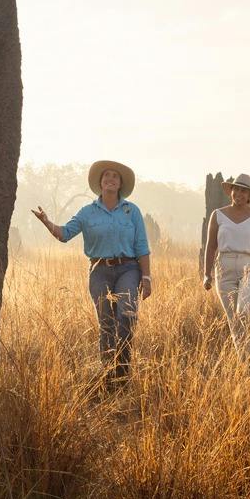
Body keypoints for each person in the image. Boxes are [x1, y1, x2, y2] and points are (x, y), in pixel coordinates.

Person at [32, 159, 153, 385]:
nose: (110, 179)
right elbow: (65, 234)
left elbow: (142, 247)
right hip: (99, 271)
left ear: (120, 184)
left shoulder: (131, 211)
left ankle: (123, 373)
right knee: (106, 321)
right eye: (106, 176)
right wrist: (47, 222)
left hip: (128, 268)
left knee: (126, 316)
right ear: (100, 183)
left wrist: (146, 277)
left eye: (115, 176)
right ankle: (108, 375)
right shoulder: (87, 213)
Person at [203, 173, 250, 367]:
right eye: (236, 189)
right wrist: (206, 274)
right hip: (224, 269)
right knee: (235, 322)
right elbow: (210, 246)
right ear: (231, 191)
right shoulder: (217, 215)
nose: (239, 193)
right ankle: (246, 367)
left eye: (244, 191)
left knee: (244, 310)